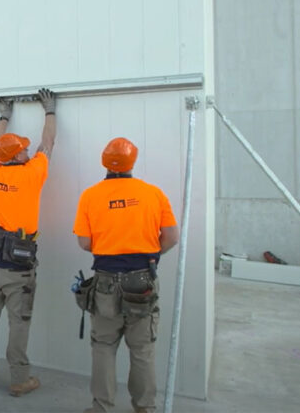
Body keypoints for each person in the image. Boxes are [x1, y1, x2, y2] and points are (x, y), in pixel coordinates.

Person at [73, 137, 179, 413]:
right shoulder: (153, 193)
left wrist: (110, 248)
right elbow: (171, 237)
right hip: (142, 281)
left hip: (106, 281)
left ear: (104, 163)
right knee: (142, 349)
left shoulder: (90, 195)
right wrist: (151, 254)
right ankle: (144, 408)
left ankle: (102, 408)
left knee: (104, 347)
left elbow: (84, 242)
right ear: (133, 162)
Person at [0, 87, 56, 397]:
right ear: (17, 156)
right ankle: (19, 379)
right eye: (22, 148)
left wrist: (3, 116)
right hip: (18, 267)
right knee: (19, 321)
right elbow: (48, 142)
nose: (28, 149)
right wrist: (50, 111)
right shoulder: (32, 174)